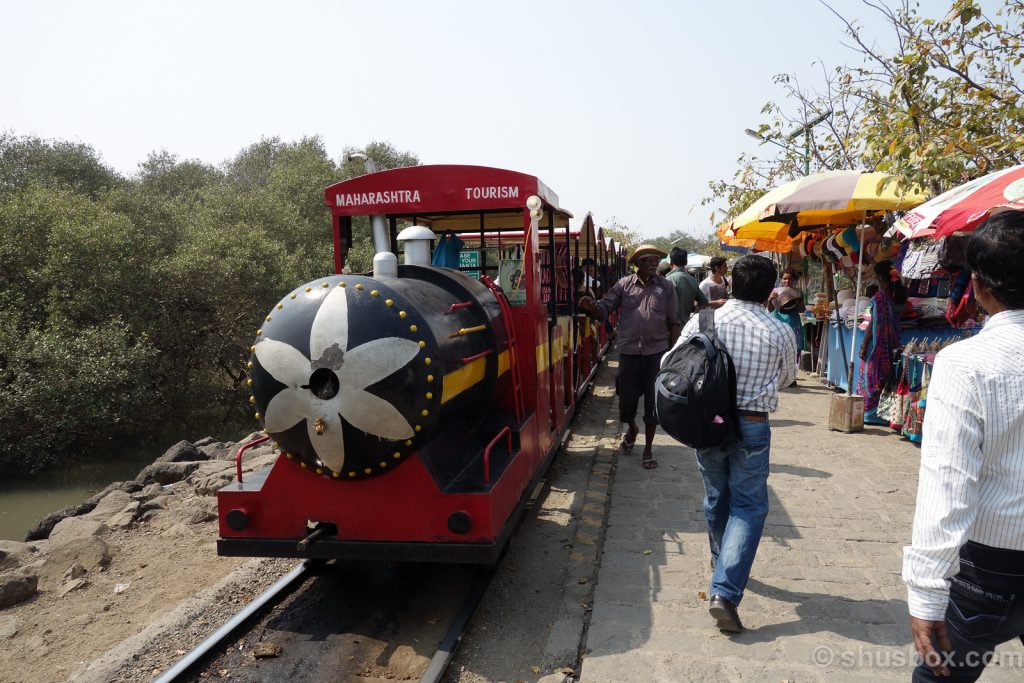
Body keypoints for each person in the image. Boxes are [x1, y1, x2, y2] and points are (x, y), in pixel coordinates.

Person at [903, 210, 1024, 682]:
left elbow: (947, 484)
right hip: (991, 560)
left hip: (991, 565)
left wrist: (927, 593)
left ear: (978, 287)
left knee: (941, 676)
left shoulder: (965, 363)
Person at [670, 254, 797, 633]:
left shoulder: (703, 321)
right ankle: (724, 590)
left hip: (708, 423)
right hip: (753, 425)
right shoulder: (779, 331)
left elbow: (670, 363)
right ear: (770, 290)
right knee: (748, 506)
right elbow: (787, 379)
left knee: (716, 496)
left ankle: (719, 559)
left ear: (731, 284)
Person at [578, 244, 681, 470]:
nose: (654, 264)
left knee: (653, 404)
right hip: (629, 352)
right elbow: (604, 309)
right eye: (648, 260)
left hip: (656, 353)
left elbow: (674, 322)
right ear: (638, 264)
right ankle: (632, 428)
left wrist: (673, 355)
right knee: (626, 400)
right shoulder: (624, 285)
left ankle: (647, 449)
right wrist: (591, 306)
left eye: (656, 260)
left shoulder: (666, 287)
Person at [858, 259, 907, 425]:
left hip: (876, 344)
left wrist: (864, 344)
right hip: (892, 342)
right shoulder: (900, 296)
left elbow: (874, 322)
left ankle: (871, 415)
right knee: (886, 375)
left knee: (872, 375)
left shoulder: (879, 297)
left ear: (879, 277)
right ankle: (884, 413)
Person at [768, 268, 806, 363]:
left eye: (790, 279)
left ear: (793, 280)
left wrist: (799, 301)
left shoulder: (798, 292)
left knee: (794, 347)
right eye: (784, 278)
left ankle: (793, 371)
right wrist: (770, 300)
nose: (787, 281)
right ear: (781, 279)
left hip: (794, 324)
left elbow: (802, 310)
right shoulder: (775, 291)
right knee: (778, 348)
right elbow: (770, 309)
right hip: (778, 323)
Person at [665, 247, 708, 324]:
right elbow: (704, 302)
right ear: (686, 261)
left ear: (671, 262)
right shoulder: (692, 280)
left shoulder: (668, 280)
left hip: (670, 329)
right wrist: (694, 316)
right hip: (686, 326)